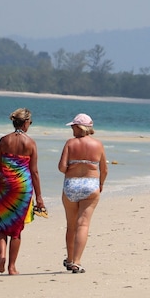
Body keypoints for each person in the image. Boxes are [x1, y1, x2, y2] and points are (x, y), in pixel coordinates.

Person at [0, 108, 45, 275]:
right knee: (16, 229)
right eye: (30, 122)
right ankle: (11, 267)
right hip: (22, 188)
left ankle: (2, 255)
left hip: (4, 186)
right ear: (25, 123)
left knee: (2, 225)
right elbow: (34, 172)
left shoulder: (4, 141)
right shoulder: (31, 143)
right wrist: (39, 197)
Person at [57, 113, 107, 274]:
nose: (72, 128)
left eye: (73, 126)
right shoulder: (98, 144)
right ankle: (77, 262)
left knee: (71, 225)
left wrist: (73, 166)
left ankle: (70, 259)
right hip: (91, 185)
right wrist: (100, 184)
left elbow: (61, 167)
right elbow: (104, 169)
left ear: (79, 128)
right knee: (83, 224)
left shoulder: (70, 143)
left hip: (71, 184)